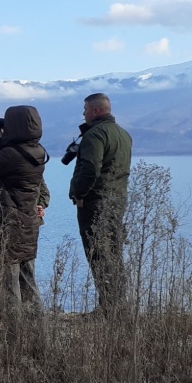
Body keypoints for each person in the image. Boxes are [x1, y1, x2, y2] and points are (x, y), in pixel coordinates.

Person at [0, 106, 49, 336]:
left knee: (8, 287)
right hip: (27, 225)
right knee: (28, 282)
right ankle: (38, 335)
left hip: (7, 227)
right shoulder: (37, 151)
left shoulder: (11, 155)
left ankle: (14, 338)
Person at [68, 92, 133, 315]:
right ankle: (118, 305)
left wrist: (78, 193)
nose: (84, 113)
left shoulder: (95, 135)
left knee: (98, 253)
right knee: (113, 252)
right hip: (117, 200)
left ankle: (108, 308)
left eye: (85, 109)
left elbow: (90, 169)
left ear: (96, 111)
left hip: (96, 202)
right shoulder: (123, 134)